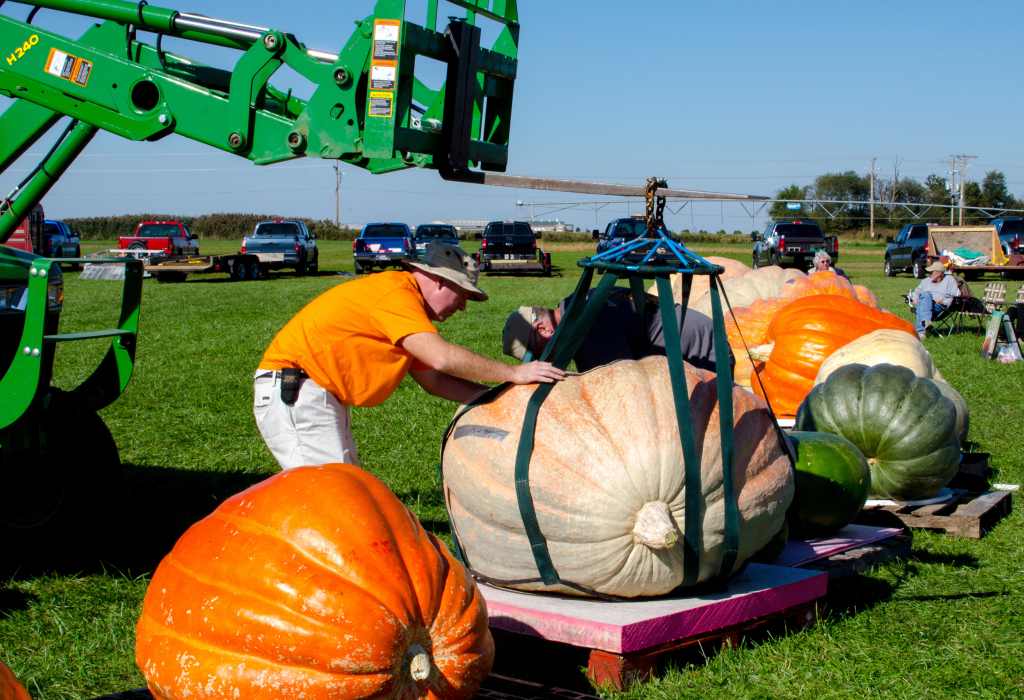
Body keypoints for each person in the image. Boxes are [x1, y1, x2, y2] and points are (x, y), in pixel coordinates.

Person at [254, 242, 565, 469]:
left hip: (312, 394)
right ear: (440, 281)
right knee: (330, 498)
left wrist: (498, 400)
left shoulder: (406, 311)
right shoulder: (395, 294)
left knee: (345, 489)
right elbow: (441, 357)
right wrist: (514, 374)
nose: (462, 307)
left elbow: (433, 379)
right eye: (462, 295)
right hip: (298, 392)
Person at [501, 287, 731, 374]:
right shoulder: (575, 303)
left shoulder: (588, 329)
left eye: (541, 354)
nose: (547, 361)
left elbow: (620, 386)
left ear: (544, 329)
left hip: (707, 358)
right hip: (704, 340)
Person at [910, 260, 960, 339]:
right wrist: (915, 299)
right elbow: (916, 292)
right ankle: (926, 323)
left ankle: (921, 332)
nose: (929, 274)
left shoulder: (949, 280)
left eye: (931, 272)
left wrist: (943, 301)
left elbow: (956, 296)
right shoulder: (925, 281)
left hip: (939, 307)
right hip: (924, 304)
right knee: (925, 296)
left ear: (939, 273)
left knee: (924, 299)